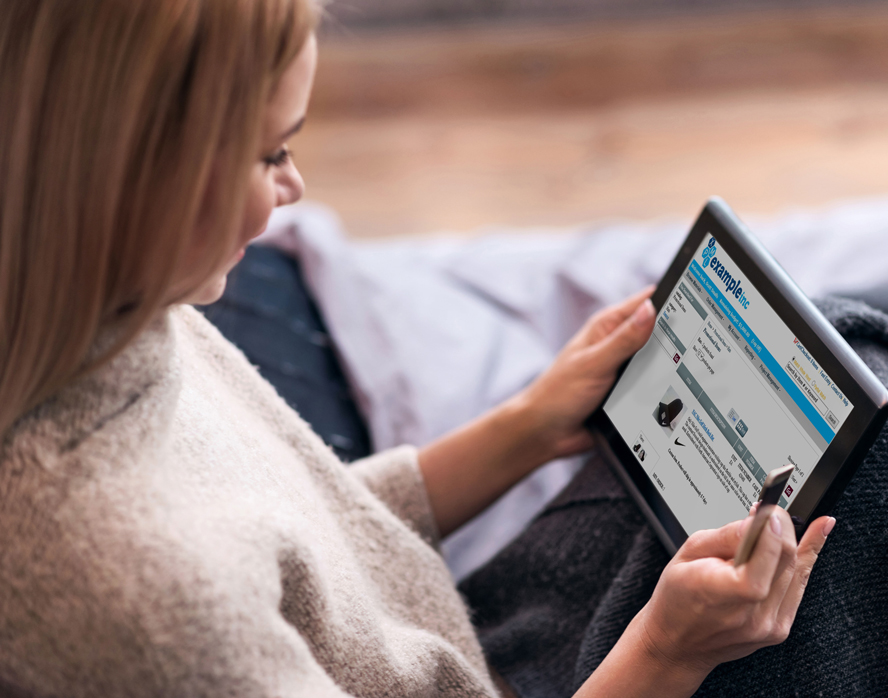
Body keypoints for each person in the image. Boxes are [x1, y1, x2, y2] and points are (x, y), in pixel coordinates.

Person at [0, 1, 833, 696]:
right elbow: (216, 577)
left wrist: (524, 428)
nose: (295, 191)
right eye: (273, 152)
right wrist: (669, 653)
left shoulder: (112, 314)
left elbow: (296, 538)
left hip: (466, 633)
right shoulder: (150, 612)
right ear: (141, 179)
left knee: (839, 344)